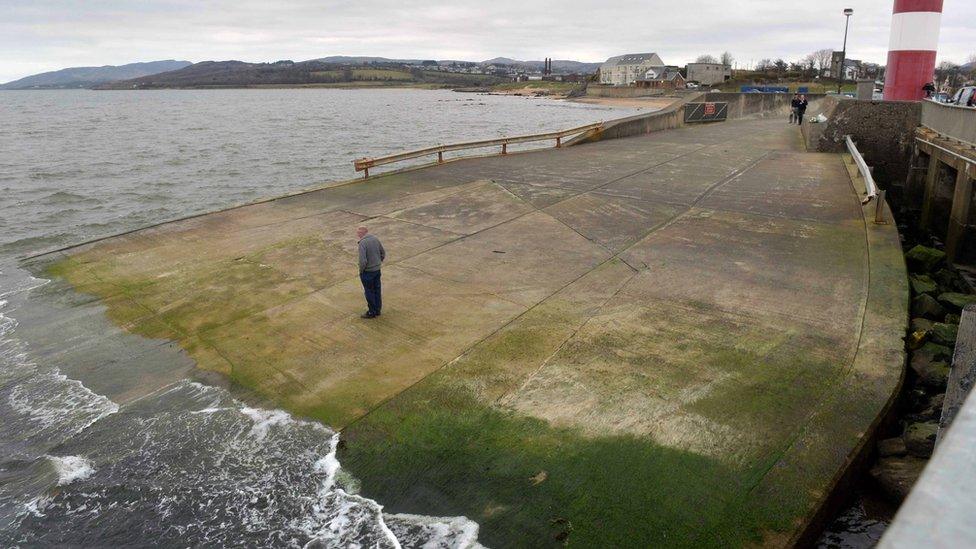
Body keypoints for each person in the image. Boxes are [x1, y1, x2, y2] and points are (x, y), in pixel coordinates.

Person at [356, 226, 385, 319]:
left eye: (358, 233)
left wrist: (361, 271)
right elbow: (383, 252)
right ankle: (378, 310)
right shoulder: (375, 239)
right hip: (377, 270)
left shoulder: (362, 243)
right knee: (377, 290)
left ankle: (371, 312)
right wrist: (378, 263)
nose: (357, 234)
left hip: (368, 272)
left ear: (362, 233)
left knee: (369, 292)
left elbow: (362, 261)